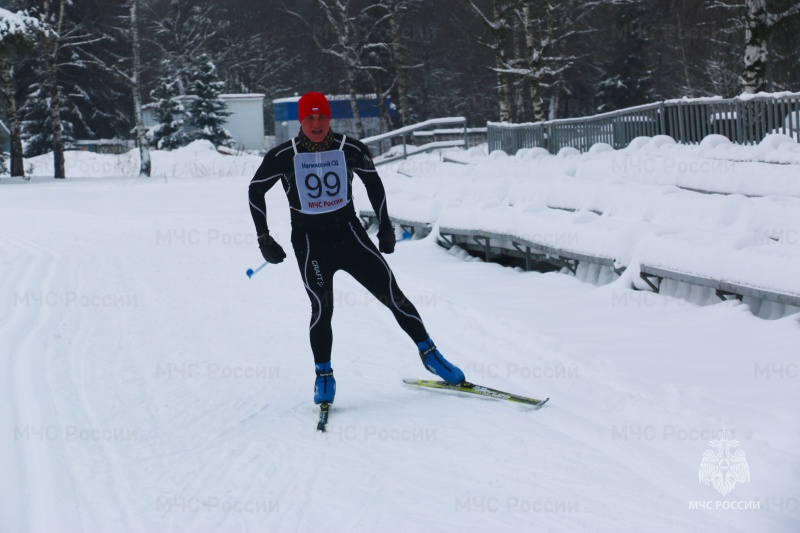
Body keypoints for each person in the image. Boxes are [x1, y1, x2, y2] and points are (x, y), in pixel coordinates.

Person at [248, 91, 465, 405]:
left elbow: (373, 181)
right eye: (309, 118)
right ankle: (323, 375)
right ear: (300, 121)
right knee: (322, 309)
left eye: (322, 116)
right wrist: (264, 238)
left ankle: (430, 354)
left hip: (350, 236)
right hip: (310, 243)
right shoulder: (284, 155)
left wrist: (386, 225)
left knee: (393, 294)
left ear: (329, 118)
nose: (317, 123)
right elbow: (256, 190)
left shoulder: (349, 148)